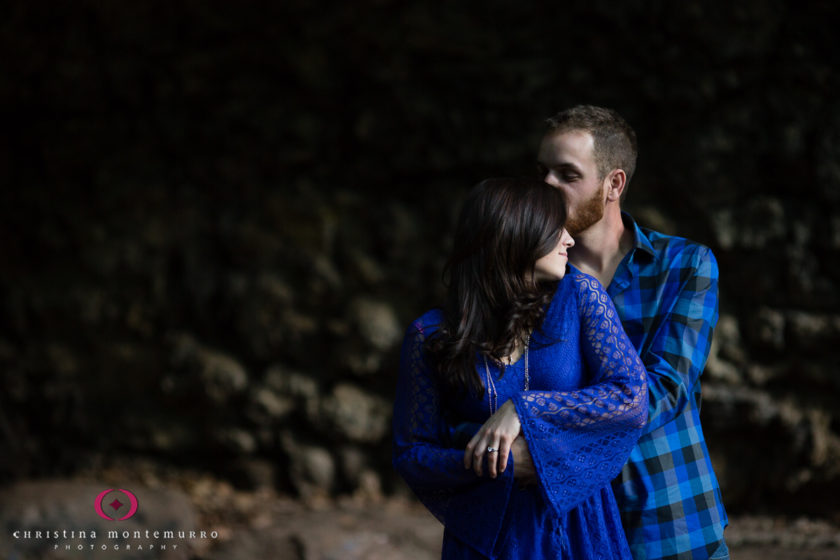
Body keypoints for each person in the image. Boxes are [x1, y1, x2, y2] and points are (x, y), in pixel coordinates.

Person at [392, 177, 648, 559]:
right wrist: (500, 465)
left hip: (577, 527)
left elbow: (631, 396)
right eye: (556, 228)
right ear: (517, 235)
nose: (570, 240)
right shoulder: (430, 335)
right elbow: (412, 454)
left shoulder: (580, 297)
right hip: (487, 539)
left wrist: (524, 410)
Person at [536, 105, 728, 559]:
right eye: (542, 171)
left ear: (613, 184)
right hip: (566, 528)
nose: (546, 186)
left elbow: (661, 391)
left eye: (567, 174)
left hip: (669, 520)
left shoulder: (684, 266)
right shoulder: (535, 278)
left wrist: (530, 414)